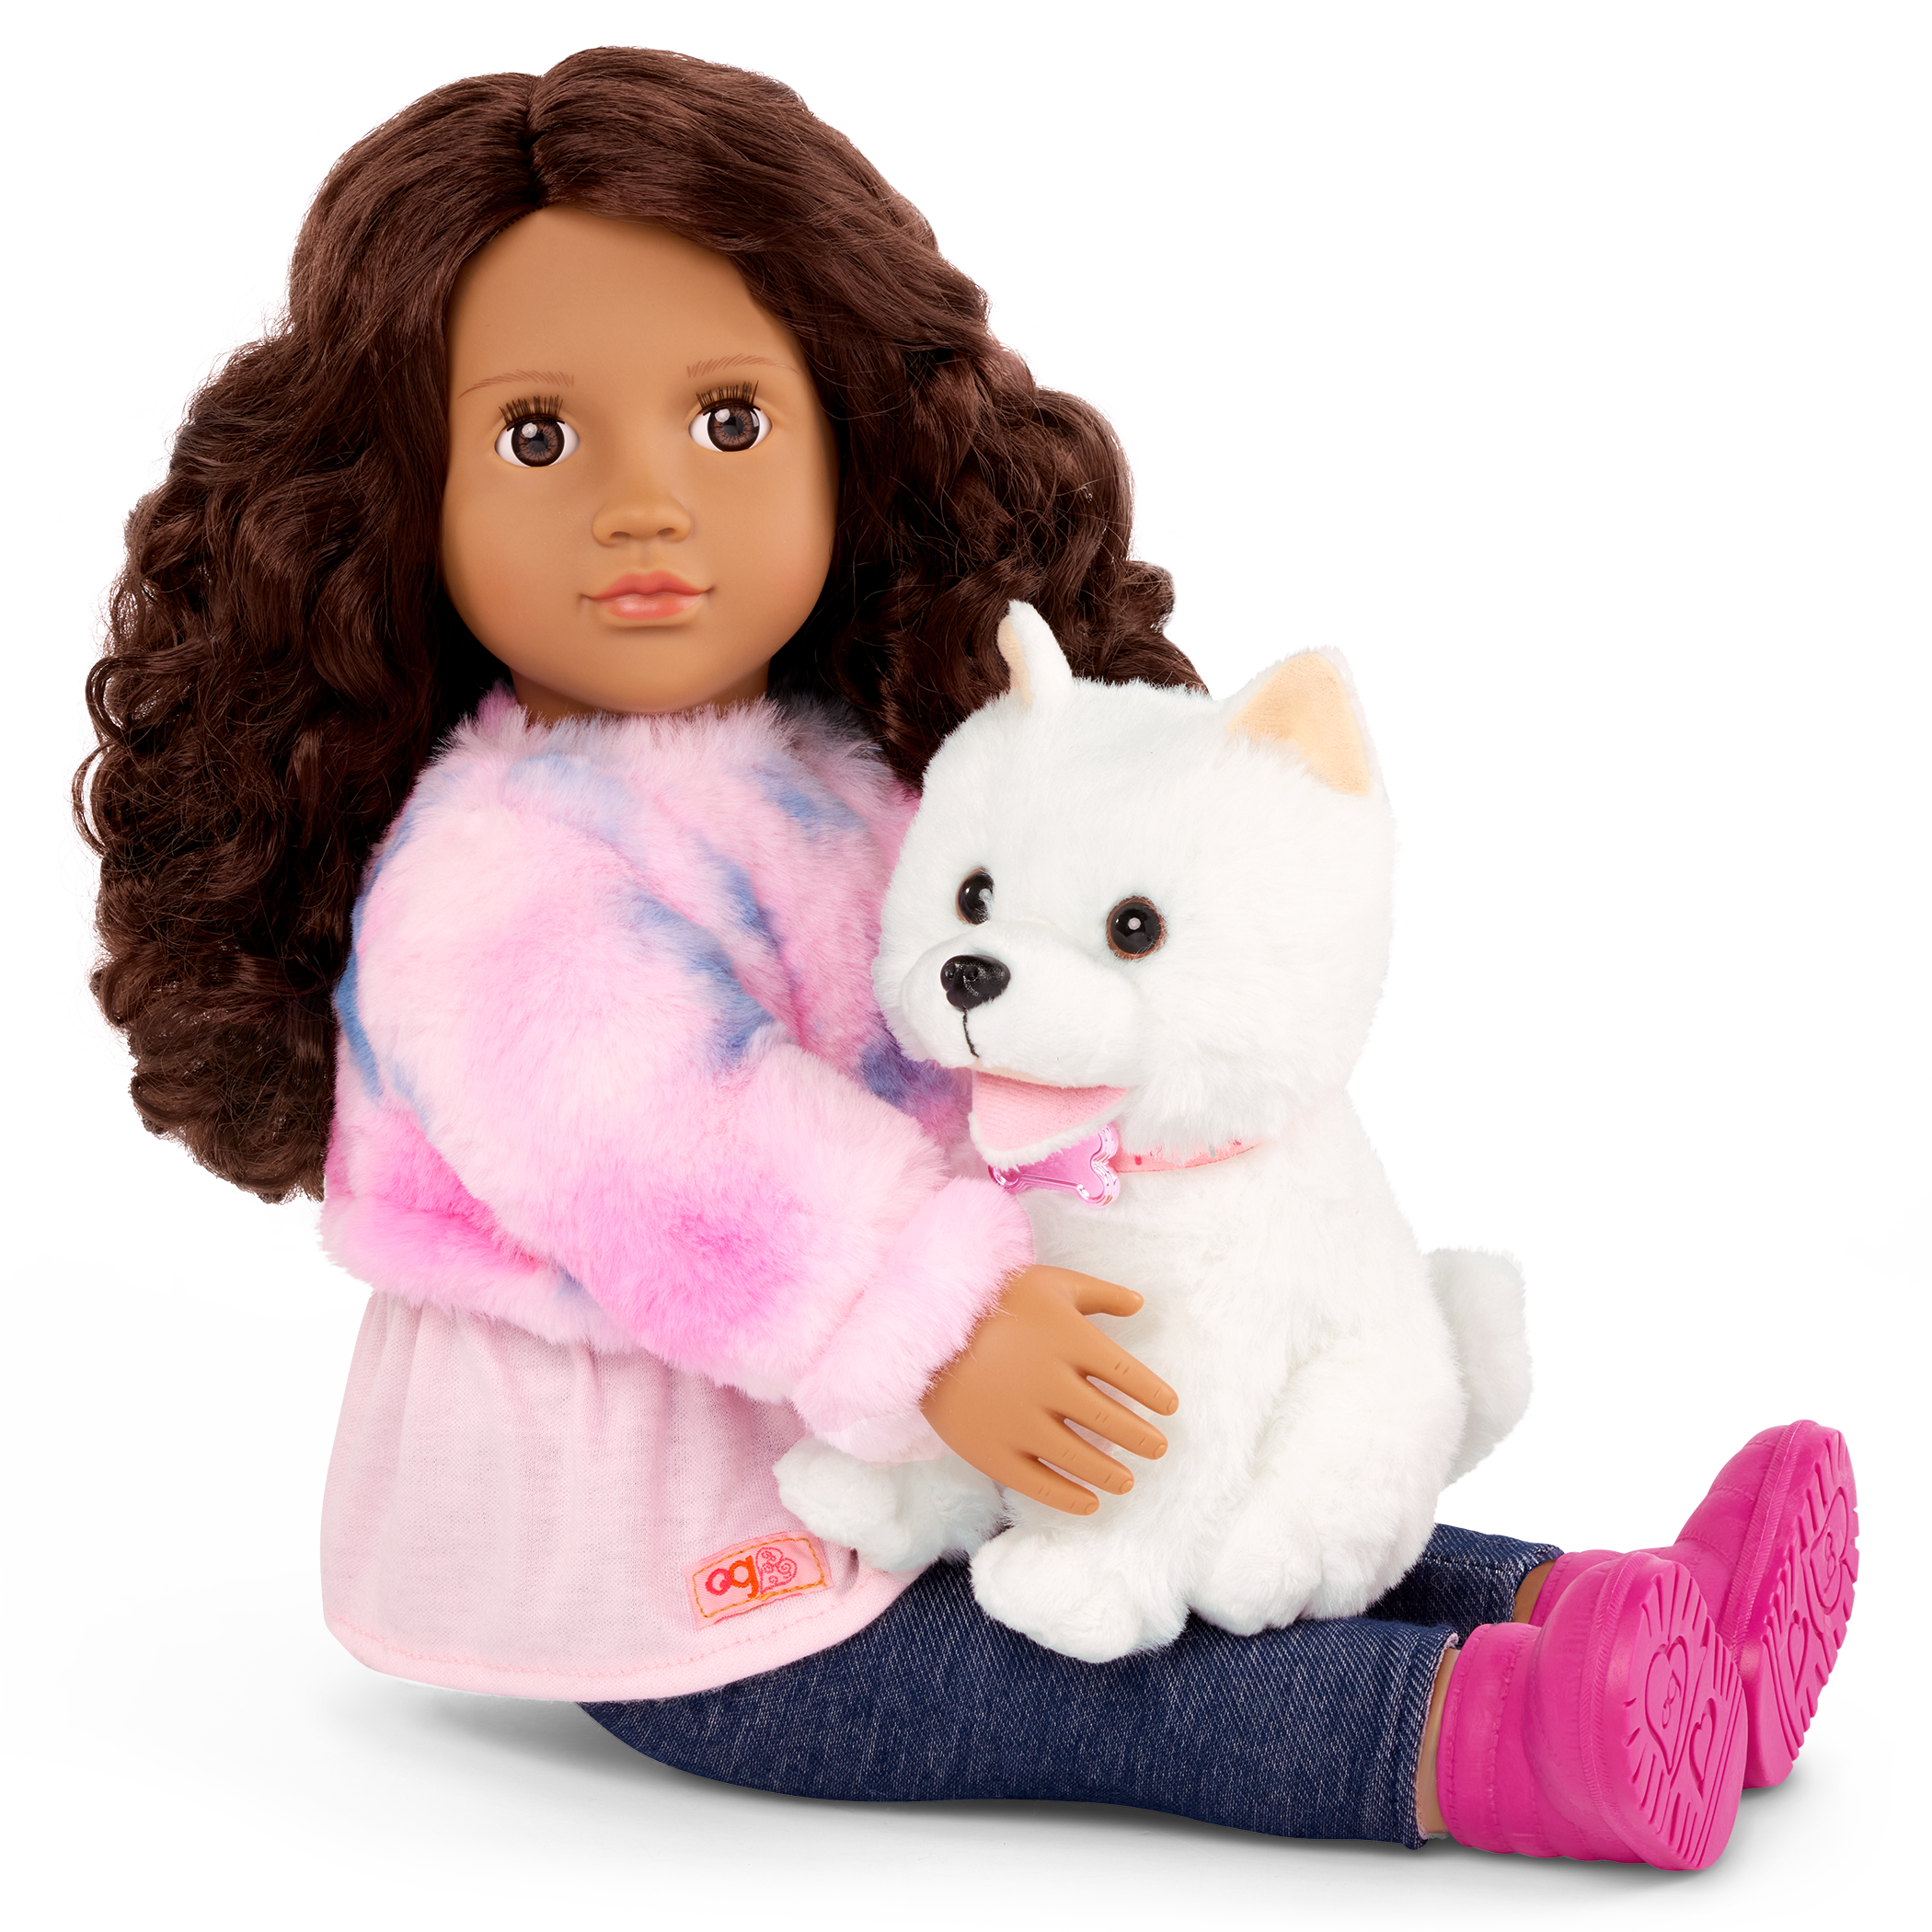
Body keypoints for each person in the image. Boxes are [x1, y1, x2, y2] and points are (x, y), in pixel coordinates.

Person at [69, 43, 1857, 1870]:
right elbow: (679, 1148)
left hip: (956, 1428)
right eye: (540, 438)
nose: (643, 503)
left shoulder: (845, 774)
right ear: (403, 494)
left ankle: (1631, 1620)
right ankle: (1513, 1736)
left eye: (729, 422)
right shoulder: (489, 883)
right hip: (696, 1561)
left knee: (1248, 1514)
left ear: (848, 439)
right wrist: (937, 1324)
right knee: (1083, 1691)